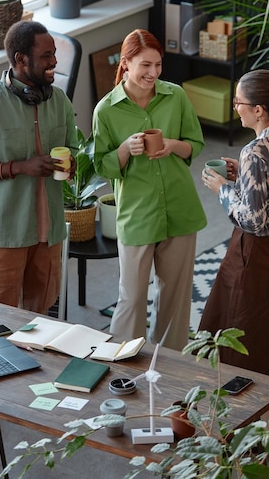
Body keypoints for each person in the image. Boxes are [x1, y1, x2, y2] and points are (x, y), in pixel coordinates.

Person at [92, 28, 207, 351]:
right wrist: (126, 149)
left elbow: (195, 145)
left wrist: (173, 145)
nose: (153, 73)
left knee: (175, 298)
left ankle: (168, 369)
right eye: (145, 65)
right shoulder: (107, 110)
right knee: (131, 297)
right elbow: (102, 165)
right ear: (126, 64)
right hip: (138, 212)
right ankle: (120, 361)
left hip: (179, 208)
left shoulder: (176, 96)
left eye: (158, 65)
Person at [0, 20, 78, 315]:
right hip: (4, 233)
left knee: (42, 320)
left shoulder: (59, 101)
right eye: (46, 55)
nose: (54, 61)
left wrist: (71, 164)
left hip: (48, 234)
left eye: (54, 54)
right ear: (21, 59)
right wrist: (20, 167)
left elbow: (72, 149)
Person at [198, 69, 269, 375]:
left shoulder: (254, 151)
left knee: (236, 329)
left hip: (252, 252)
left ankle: (234, 402)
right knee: (264, 331)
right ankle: (266, 405)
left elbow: (253, 220)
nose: (235, 108)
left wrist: (222, 190)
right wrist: (243, 180)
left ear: (258, 110)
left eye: (238, 102)